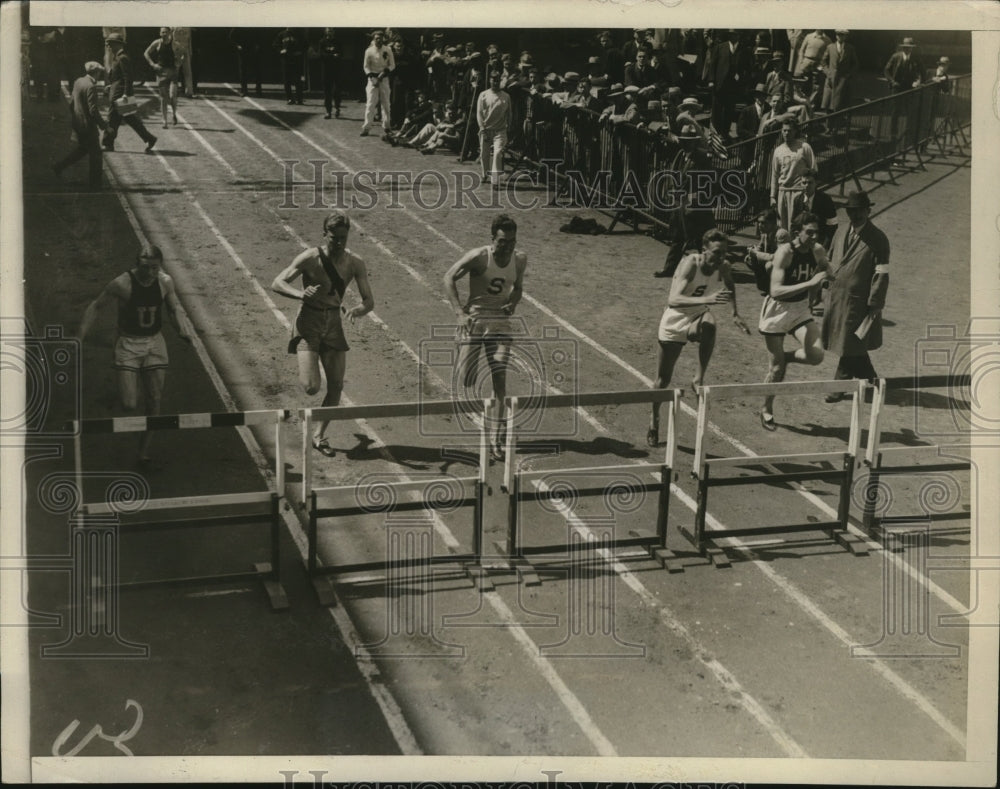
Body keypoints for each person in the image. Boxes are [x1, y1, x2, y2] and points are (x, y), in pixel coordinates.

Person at [78, 244, 193, 467]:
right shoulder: (122, 283)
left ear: (159, 266)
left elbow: (174, 308)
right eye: (145, 267)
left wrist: (182, 329)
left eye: (154, 268)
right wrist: (80, 336)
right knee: (130, 404)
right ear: (137, 264)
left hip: (154, 343)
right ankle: (125, 387)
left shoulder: (165, 281)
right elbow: (96, 306)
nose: (150, 272)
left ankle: (143, 452)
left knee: (155, 400)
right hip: (128, 344)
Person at [271, 212, 375, 456]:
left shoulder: (355, 263)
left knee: (336, 385)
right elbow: (277, 282)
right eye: (334, 237)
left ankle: (318, 435)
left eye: (343, 237)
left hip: (333, 323)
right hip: (309, 321)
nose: (339, 242)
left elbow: (369, 299)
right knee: (310, 387)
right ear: (324, 234)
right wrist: (300, 294)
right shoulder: (310, 257)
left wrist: (359, 310)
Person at [648, 229, 750, 446]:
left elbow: (730, 285)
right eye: (716, 252)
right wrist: (708, 297)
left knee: (710, 326)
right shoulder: (691, 263)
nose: (721, 257)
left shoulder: (723, 265)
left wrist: (734, 313)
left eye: (724, 252)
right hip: (674, 319)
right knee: (662, 380)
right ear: (704, 251)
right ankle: (654, 419)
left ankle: (698, 378)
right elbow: (674, 299)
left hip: (697, 316)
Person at [443, 214, 527, 462]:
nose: (507, 246)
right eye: (502, 242)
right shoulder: (479, 257)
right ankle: (462, 347)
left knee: (499, 375)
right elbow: (448, 278)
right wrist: (459, 313)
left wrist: (512, 302)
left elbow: (518, 288)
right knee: (467, 380)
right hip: (475, 319)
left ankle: (496, 437)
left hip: (500, 323)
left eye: (511, 242)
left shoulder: (519, 259)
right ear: (493, 239)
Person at [757, 212, 830, 429]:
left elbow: (826, 266)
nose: (815, 236)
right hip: (777, 310)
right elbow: (776, 290)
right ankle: (766, 408)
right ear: (797, 233)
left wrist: (831, 275)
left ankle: (785, 357)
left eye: (817, 231)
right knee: (776, 370)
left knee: (816, 355)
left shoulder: (817, 250)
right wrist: (810, 285)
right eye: (810, 232)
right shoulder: (785, 252)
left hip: (799, 309)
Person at [821, 191, 890, 401]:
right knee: (851, 343)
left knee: (849, 342)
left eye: (860, 211)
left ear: (868, 211)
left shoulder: (878, 239)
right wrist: (824, 282)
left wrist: (875, 302)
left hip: (858, 301)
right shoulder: (841, 232)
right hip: (836, 297)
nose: (856, 215)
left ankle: (838, 387)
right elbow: (831, 258)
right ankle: (873, 381)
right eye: (852, 211)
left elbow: (881, 273)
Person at [53, 61, 108, 190]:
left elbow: (72, 103)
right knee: (96, 155)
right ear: (96, 72)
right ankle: (95, 185)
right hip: (88, 126)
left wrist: (75, 118)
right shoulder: (91, 87)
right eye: (99, 72)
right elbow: (93, 110)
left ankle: (59, 166)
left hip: (78, 123)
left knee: (82, 150)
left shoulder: (78, 82)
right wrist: (104, 125)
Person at [103, 32, 157, 154]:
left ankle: (108, 144)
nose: (109, 47)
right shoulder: (118, 57)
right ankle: (150, 138)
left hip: (119, 95)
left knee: (112, 119)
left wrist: (126, 94)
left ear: (117, 44)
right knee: (131, 119)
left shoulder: (122, 58)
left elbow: (128, 78)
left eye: (111, 44)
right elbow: (119, 78)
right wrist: (110, 86)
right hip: (118, 92)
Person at [769, 118, 815, 232]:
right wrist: (772, 196)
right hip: (783, 191)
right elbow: (775, 174)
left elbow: (813, 170)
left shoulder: (804, 147)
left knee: (796, 225)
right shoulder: (778, 150)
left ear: (795, 131)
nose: (786, 133)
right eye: (784, 130)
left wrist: (808, 193)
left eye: (789, 130)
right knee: (782, 226)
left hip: (799, 191)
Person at [476, 67, 511, 187]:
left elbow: (509, 114)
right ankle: (485, 174)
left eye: (497, 80)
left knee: (497, 153)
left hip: (500, 131)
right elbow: (479, 113)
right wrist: (482, 128)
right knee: (484, 155)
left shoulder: (506, 96)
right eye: (493, 80)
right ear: (489, 80)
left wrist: (508, 128)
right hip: (486, 129)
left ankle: (495, 181)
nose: (495, 82)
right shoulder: (483, 95)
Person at [360, 30, 395, 138]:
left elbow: (392, 65)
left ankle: (387, 126)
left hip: (384, 78)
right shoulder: (369, 51)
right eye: (376, 38)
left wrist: (383, 74)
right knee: (370, 103)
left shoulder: (388, 49)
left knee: (386, 104)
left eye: (380, 38)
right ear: (373, 39)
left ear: (383, 39)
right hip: (372, 80)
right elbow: (366, 66)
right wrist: (371, 77)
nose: (378, 40)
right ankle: (366, 128)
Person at [144, 27, 179, 129]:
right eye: (162, 32)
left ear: (169, 33)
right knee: (163, 98)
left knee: (173, 96)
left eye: (166, 32)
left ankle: (173, 114)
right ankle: (164, 120)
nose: (164, 34)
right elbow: (146, 53)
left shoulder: (174, 43)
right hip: (161, 73)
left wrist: (179, 62)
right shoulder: (157, 43)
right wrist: (152, 64)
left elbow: (183, 52)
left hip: (172, 72)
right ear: (160, 33)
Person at [821, 30, 859, 113]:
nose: (840, 37)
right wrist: (828, 72)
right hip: (831, 79)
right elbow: (823, 61)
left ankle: (837, 125)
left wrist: (848, 75)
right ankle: (828, 125)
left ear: (846, 37)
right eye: (838, 35)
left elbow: (855, 64)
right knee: (829, 103)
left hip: (843, 80)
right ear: (836, 36)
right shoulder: (830, 47)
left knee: (840, 105)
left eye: (842, 35)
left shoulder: (850, 48)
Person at [274, 28, 304, 105]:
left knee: (298, 79)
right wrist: (280, 50)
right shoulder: (281, 34)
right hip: (286, 60)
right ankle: (289, 98)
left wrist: (300, 52)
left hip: (296, 59)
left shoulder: (298, 34)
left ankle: (299, 99)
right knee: (287, 80)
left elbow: (305, 45)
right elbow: (275, 45)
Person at [230, 27, 262, 97]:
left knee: (256, 70)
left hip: (252, 49)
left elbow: (259, 34)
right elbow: (232, 37)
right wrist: (237, 45)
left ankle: (258, 90)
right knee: (243, 71)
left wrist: (257, 44)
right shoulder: (238, 27)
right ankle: (244, 90)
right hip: (243, 50)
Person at [317, 28, 342, 119]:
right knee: (327, 92)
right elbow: (321, 54)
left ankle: (337, 108)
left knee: (337, 91)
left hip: (337, 69)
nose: (330, 33)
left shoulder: (338, 42)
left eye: (331, 31)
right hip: (326, 70)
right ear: (325, 32)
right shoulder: (322, 42)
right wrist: (332, 56)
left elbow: (341, 54)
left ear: (334, 32)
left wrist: (334, 56)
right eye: (328, 31)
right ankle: (328, 111)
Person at [170, 27, 195, 98]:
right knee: (183, 72)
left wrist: (190, 51)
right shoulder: (186, 27)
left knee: (181, 72)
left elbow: (189, 40)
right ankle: (187, 91)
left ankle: (176, 92)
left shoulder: (174, 26)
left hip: (182, 49)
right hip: (179, 50)